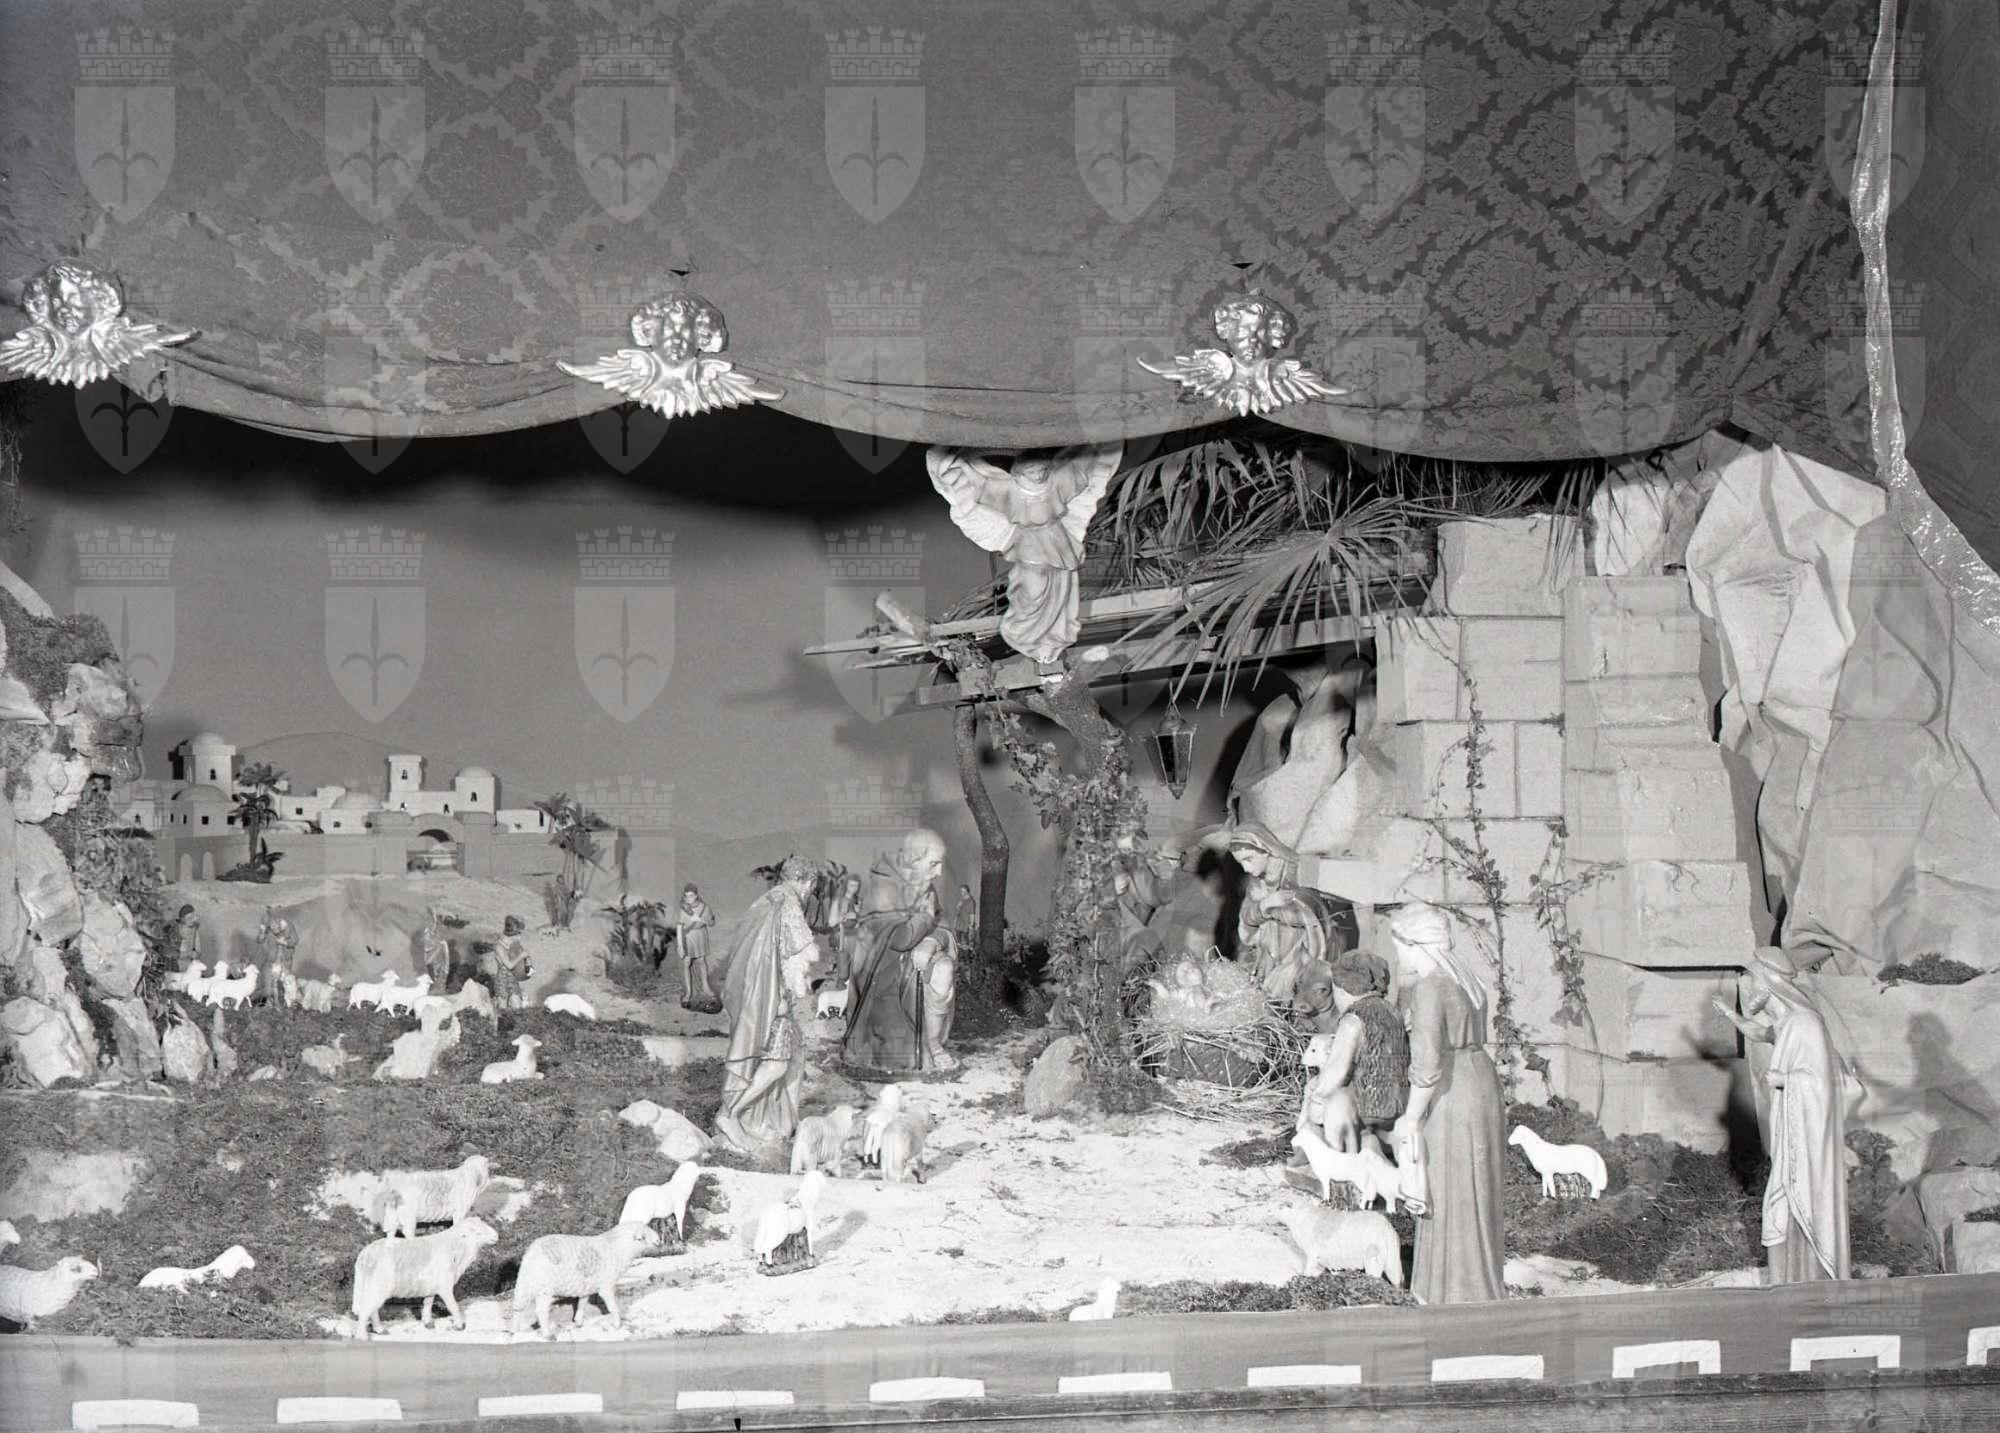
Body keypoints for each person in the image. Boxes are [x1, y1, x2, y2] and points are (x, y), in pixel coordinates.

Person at [1389, 901, 1505, 1306]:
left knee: (1446, 1186)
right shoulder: (1467, 978)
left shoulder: (1430, 986)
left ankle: (1449, 1292)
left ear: (1412, 943)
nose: (1397, 954)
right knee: (1477, 1187)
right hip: (1482, 1081)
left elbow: (1427, 1064)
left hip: (1452, 1092)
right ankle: (1478, 1285)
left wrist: (1410, 1118)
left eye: (1398, 945)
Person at [1713, 952, 1852, 1283]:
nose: (1749, 987)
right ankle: (1788, 1285)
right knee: (1780, 1207)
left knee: (1798, 1202)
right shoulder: (1790, 1023)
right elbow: (1760, 1032)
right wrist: (1731, 1015)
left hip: (1807, 1144)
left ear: (1770, 981)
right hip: (1791, 1140)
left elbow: (1823, 1084)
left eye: (1753, 979)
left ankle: (1811, 1284)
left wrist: (1785, 1079)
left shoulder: (1806, 1023)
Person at [715, 856, 818, 1153]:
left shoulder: (766, 900)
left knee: (795, 1056)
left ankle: (783, 1121)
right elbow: (808, 950)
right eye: (812, 886)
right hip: (773, 997)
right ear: (806, 882)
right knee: (776, 1064)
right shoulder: (788, 903)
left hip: (759, 989)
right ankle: (730, 1113)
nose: (810, 891)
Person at [841, 828, 948, 1073]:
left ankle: (933, 1044)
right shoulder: (884, 888)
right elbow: (898, 939)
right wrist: (925, 918)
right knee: (894, 1053)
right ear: (914, 861)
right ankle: (912, 1053)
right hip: (881, 975)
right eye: (934, 863)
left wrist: (930, 943)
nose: (939, 872)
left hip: (908, 960)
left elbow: (941, 923)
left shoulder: (924, 883)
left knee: (944, 968)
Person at [1302, 952, 1408, 1155]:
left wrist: (1317, 1097)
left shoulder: (1353, 1020)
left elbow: (1336, 1070)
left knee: (1325, 1101)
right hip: (1400, 1101)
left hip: (1369, 1103)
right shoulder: (1392, 1011)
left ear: (1341, 989)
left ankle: (1331, 1158)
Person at [676, 884, 720, 1010]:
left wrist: (701, 919)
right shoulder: (684, 908)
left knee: (701, 961)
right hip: (689, 936)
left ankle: (706, 987)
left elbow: (711, 922)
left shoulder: (704, 907)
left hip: (700, 935)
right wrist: (680, 945)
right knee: (687, 962)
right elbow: (679, 926)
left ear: (696, 895)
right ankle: (688, 992)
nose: (689, 899)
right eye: (686, 896)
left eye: (691, 896)